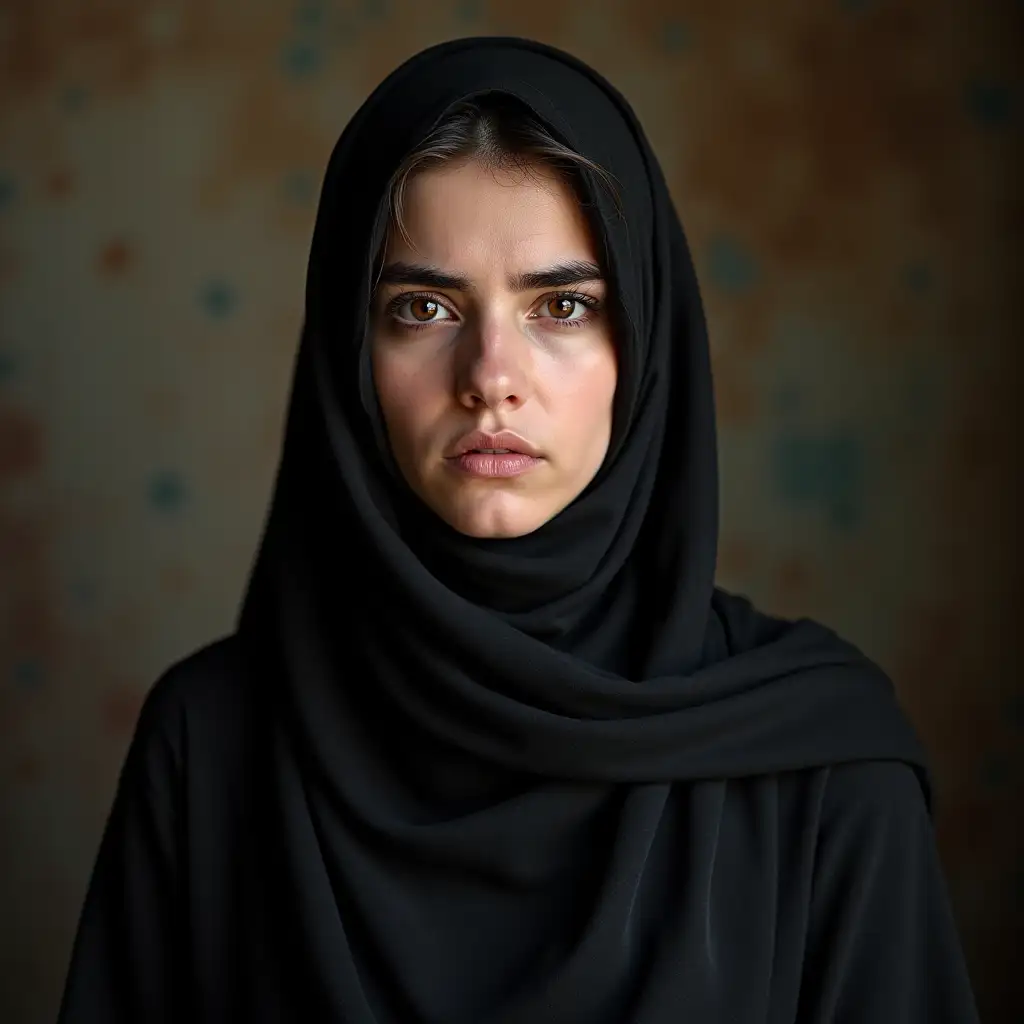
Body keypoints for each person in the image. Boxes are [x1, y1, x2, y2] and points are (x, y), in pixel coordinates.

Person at [57, 37, 979, 1023]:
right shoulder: (213, 746)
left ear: (645, 345)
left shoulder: (820, 766)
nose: (489, 373)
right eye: (422, 306)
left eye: (563, 305)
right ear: (347, 353)